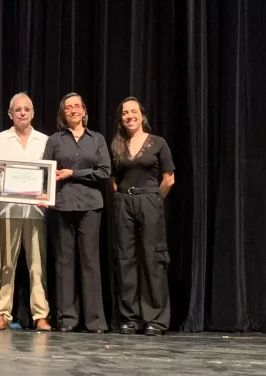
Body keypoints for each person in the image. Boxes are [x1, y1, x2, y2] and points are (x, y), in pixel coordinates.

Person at [42, 92, 110, 333]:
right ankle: (67, 319)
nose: (72, 110)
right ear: (63, 113)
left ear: (83, 110)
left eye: (76, 106)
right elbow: (45, 174)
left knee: (90, 262)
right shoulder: (54, 140)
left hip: (91, 206)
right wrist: (43, 196)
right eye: (67, 107)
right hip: (62, 205)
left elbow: (104, 172)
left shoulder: (97, 139)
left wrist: (74, 173)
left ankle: (94, 321)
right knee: (64, 262)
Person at [110, 96, 175, 336]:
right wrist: (125, 199)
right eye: (125, 112)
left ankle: (155, 319)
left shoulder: (158, 143)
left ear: (141, 114)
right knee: (126, 259)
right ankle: (130, 317)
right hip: (124, 202)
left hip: (149, 200)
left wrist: (153, 199)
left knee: (152, 259)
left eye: (133, 111)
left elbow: (169, 179)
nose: (129, 116)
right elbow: (113, 179)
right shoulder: (117, 145)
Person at [0, 93, 51, 331]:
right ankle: (2, 314)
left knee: (37, 265)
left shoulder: (45, 141)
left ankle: (40, 315)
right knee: (5, 264)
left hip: (37, 213)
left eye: (27, 109)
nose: (22, 113)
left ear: (33, 113)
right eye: (18, 110)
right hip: (6, 211)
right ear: (10, 114)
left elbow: (48, 178)